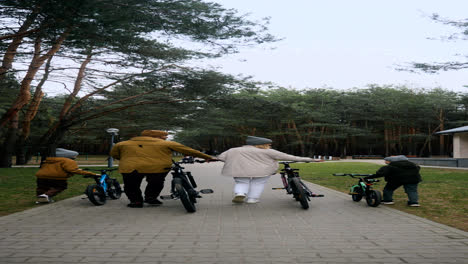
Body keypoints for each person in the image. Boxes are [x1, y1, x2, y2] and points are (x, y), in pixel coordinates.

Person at [110, 130, 215, 208]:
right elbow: (189, 151)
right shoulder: (166, 143)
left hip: (130, 167)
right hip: (158, 167)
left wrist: (126, 160)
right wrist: (208, 157)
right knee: (156, 182)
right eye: (164, 136)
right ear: (157, 136)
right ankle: (151, 198)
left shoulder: (122, 144)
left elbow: (114, 154)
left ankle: (136, 201)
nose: (165, 138)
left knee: (131, 185)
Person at [217, 136, 323, 204]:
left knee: (242, 181)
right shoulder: (269, 152)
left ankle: (240, 193)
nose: (269, 146)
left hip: (239, 170)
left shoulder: (233, 150)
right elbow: (291, 157)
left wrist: (208, 160)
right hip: (262, 171)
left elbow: (220, 157)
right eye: (268, 144)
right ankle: (252, 199)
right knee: (258, 183)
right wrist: (311, 160)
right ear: (261, 145)